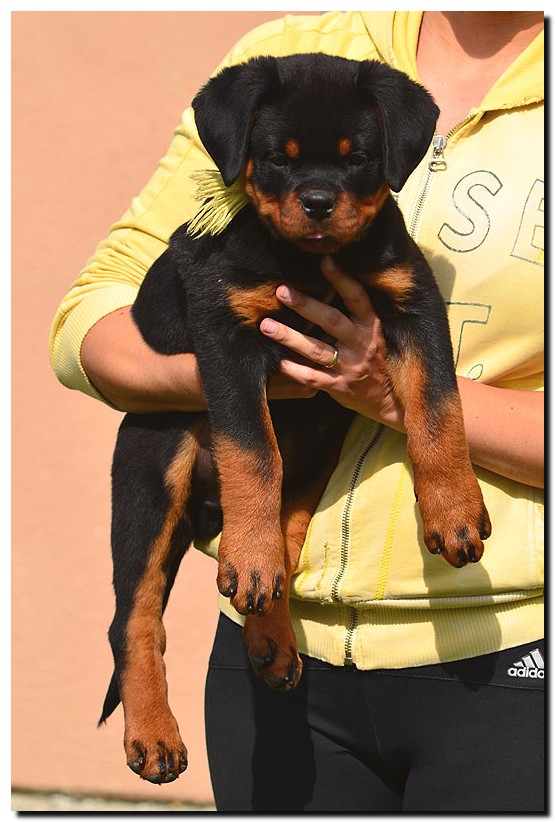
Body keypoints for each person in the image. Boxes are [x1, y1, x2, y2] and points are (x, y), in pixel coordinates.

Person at [49, 11, 544, 813]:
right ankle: (139, 652)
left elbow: (418, 339)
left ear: (392, 153)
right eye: (281, 172)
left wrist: (407, 423)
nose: (318, 198)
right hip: (282, 657)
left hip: (507, 657)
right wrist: (206, 384)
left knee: (317, 443)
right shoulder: (273, 68)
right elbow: (86, 321)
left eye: (351, 173)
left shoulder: (385, 200)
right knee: (164, 453)